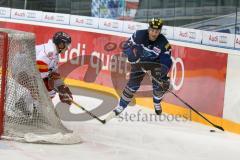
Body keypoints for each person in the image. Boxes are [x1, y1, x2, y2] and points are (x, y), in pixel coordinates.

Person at [106, 18, 172, 121]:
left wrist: (161, 74)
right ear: (149, 29)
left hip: (156, 64)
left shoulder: (164, 43)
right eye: (152, 30)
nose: (154, 33)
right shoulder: (139, 34)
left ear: (160, 31)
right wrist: (132, 56)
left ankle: (156, 102)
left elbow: (167, 61)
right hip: (139, 61)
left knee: (159, 85)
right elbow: (126, 46)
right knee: (132, 85)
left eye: (157, 31)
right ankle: (121, 106)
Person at [35, 32, 73, 105]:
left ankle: (37, 107)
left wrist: (62, 88)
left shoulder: (55, 55)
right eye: (67, 44)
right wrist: (47, 83)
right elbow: (39, 64)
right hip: (22, 68)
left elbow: (54, 73)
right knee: (38, 89)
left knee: (51, 92)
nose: (68, 48)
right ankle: (32, 107)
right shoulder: (50, 51)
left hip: (28, 70)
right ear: (61, 44)